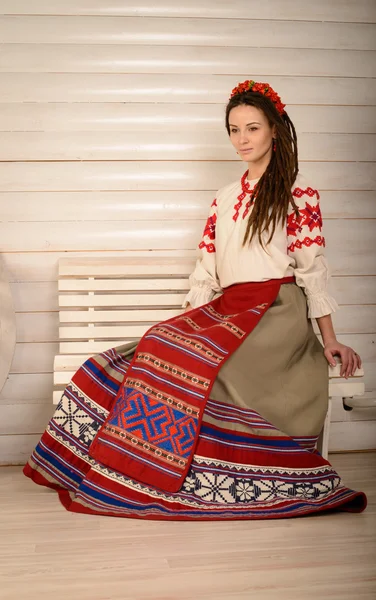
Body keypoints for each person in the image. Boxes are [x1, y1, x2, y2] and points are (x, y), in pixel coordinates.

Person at [24, 79, 366, 519]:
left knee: (196, 361)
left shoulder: (299, 195)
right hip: (230, 307)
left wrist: (330, 338)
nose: (242, 139)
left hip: (276, 312)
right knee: (157, 344)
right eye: (234, 129)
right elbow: (207, 270)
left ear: (274, 131)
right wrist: (191, 327)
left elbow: (312, 269)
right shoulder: (224, 199)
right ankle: (134, 466)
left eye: (252, 128)